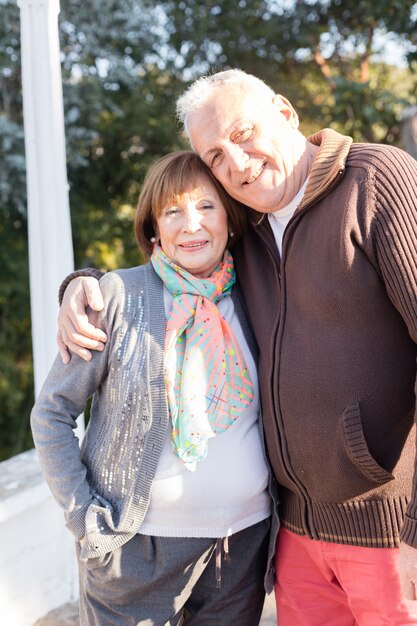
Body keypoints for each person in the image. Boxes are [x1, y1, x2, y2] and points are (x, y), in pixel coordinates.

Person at [57, 69, 417, 625]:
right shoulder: (247, 229)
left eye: (244, 133)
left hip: (388, 533)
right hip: (295, 536)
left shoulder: (375, 180)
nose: (238, 163)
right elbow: (178, 258)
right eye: (217, 156)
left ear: (286, 111)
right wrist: (81, 284)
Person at [31, 150, 279, 626]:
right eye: (173, 211)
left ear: (230, 218)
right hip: (135, 552)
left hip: (241, 545)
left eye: (207, 206)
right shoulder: (117, 296)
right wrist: (84, 518)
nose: (192, 225)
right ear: (153, 229)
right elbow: (52, 413)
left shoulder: (258, 293)